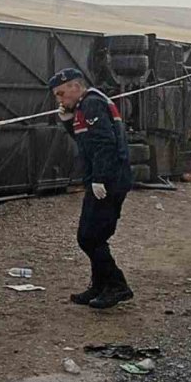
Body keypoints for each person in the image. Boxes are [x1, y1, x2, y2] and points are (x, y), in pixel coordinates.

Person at [50, 68, 134, 309]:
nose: (60, 99)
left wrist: (99, 178)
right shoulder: (87, 105)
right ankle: (101, 285)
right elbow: (84, 139)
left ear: (76, 86)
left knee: (90, 237)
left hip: (109, 181)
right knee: (91, 236)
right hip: (107, 179)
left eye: (61, 93)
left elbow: (104, 144)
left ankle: (117, 286)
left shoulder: (92, 104)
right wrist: (68, 120)